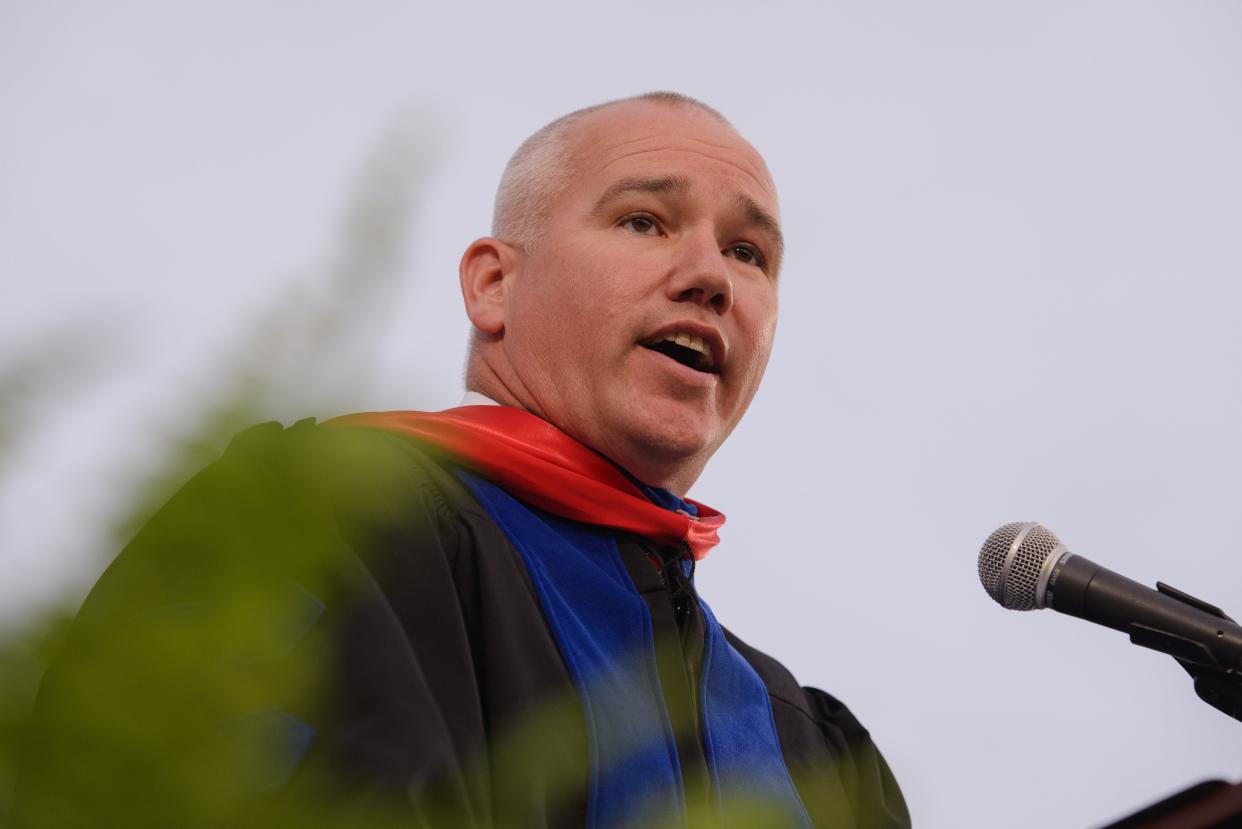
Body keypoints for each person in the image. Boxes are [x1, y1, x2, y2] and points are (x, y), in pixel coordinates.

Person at [16, 93, 909, 828]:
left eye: (749, 253)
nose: (710, 274)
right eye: (645, 220)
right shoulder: (318, 524)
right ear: (494, 284)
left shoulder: (816, 757)